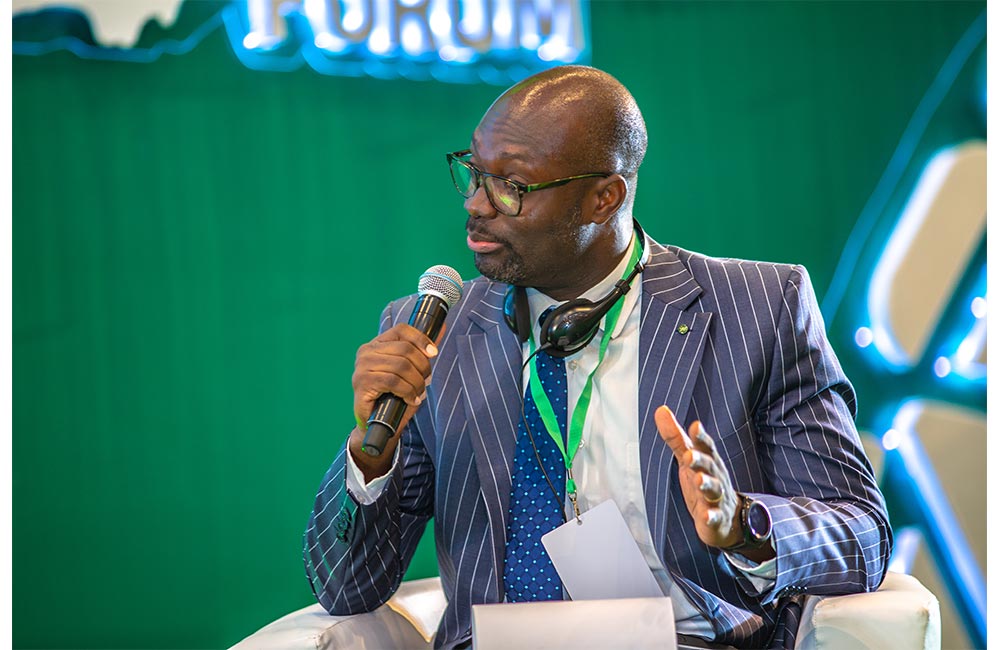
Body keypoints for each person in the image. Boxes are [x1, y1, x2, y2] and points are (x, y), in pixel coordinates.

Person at [303, 65, 892, 649]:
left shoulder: (758, 308)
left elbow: (862, 535)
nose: (478, 204)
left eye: (512, 185)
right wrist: (369, 454)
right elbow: (345, 587)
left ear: (603, 198)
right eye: (474, 173)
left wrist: (745, 527)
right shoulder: (434, 334)